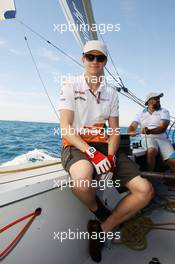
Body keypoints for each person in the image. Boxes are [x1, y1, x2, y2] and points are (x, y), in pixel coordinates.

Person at [58, 40, 154, 262]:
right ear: (83, 59)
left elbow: (114, 132)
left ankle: (102, 229)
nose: (94, 61)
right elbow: (66, 128)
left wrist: (110, 157)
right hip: (77, 144)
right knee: (81, 182)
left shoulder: (111, 93)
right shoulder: (69, 86)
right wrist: (92, 154)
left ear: (105, 62)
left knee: (145, 191)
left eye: (99, 58)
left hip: (105, 145)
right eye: (90, 57)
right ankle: (101, 212)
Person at [128, 92, 175, 172]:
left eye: (159, 99)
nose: (159, 100)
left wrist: (149, 131)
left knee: (173, 161)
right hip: (146, 139)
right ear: (149, 101)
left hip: (162, 139)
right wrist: (131, 131)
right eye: (156, 99)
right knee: (151, 151)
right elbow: (133, 125)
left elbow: (163, 127)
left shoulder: (164, 111)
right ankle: (151, 175)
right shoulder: (140, 113)